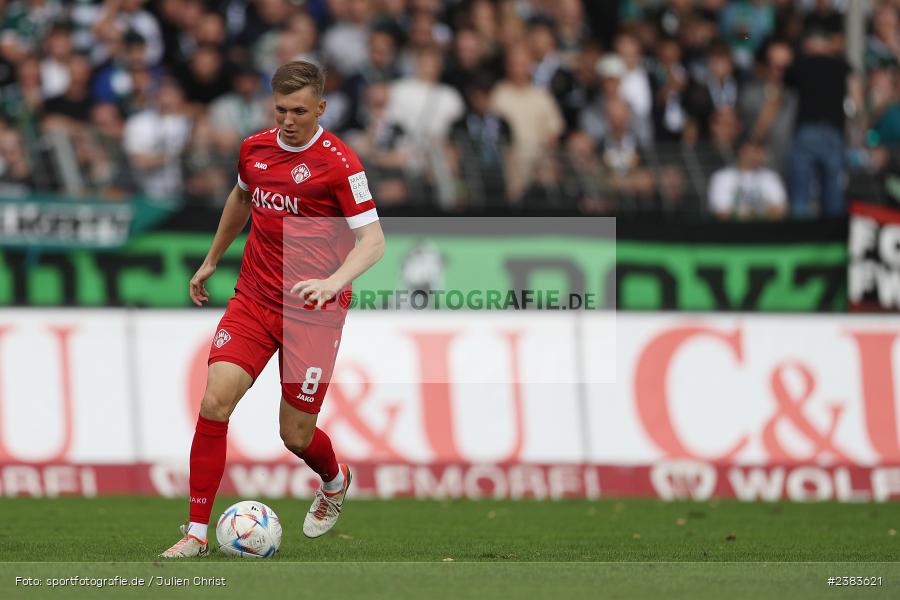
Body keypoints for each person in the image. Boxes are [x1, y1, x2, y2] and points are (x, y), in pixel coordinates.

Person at [160, 61, 385, 558]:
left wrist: (333, 282)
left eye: (299, 111)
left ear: (320, 109)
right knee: (215, 401)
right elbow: (241, 199)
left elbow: (373, 241)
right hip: (255, 299)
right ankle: (196, 533)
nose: (287, 119)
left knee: (295, 434)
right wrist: (211, 259)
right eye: (280, 109)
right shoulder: (254, 149)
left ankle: (334, 478)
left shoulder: (341, 164)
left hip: (313, 312)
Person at [708, 139, 787, 220]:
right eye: (756, 151)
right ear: (742, 152)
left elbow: (781, 210)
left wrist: (743, 212)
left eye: (761, 151)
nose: (760, 156)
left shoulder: (771, 177)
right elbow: (721, 213)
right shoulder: (722, 177)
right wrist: (763, 211)